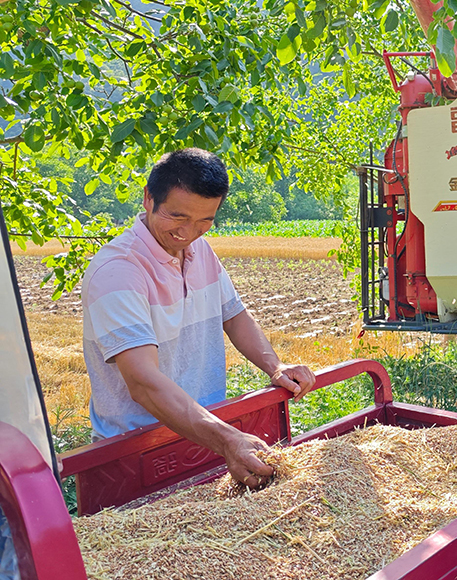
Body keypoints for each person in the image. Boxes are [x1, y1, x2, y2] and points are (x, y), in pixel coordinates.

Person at [82, 148, 316, 488]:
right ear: (148, 199)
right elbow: (143, 383)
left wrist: (275, 366)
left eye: (205, 220)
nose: (188, 232)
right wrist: (227, 439)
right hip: (138, 454)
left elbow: (233, 315)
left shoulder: (199, 250)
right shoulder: (118, 272)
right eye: (177, 216)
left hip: (204, 432)